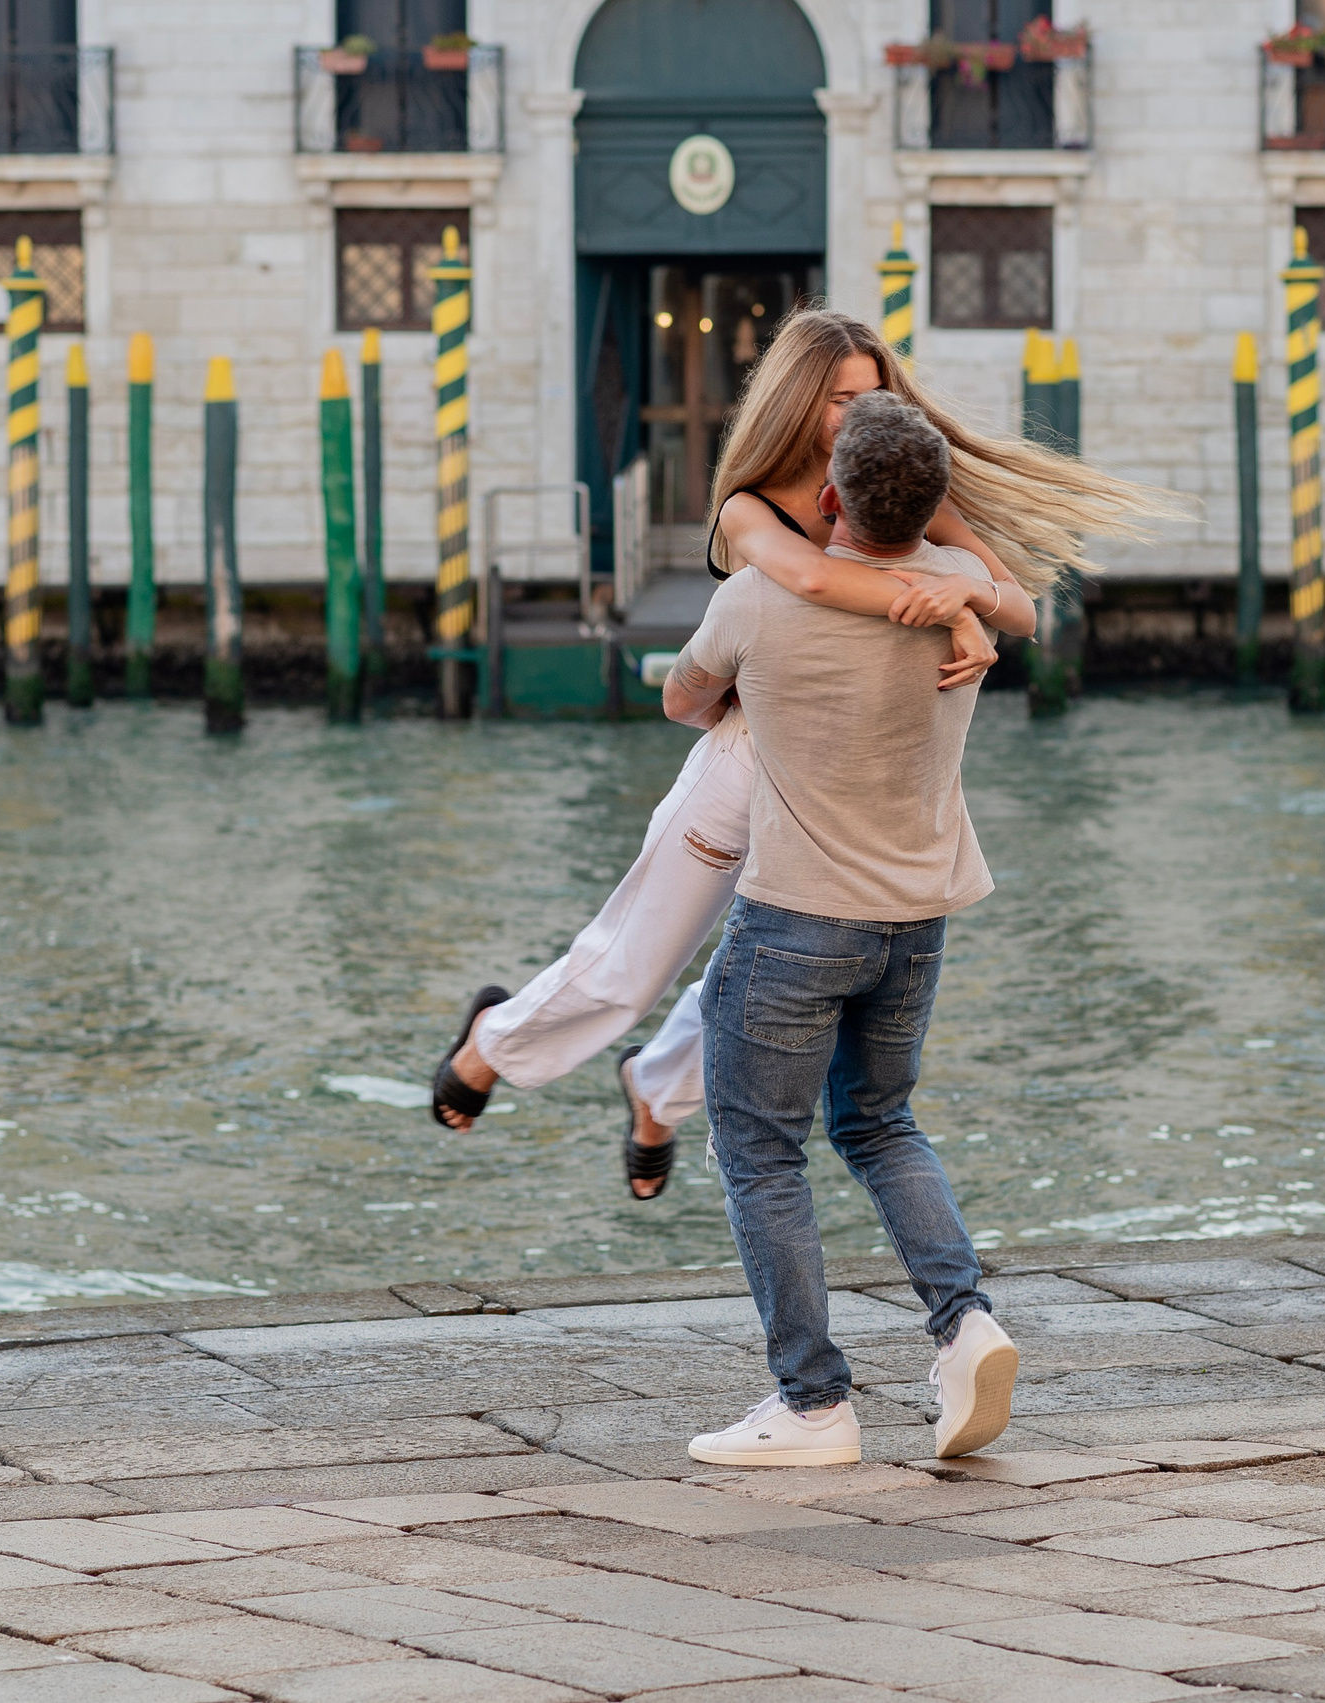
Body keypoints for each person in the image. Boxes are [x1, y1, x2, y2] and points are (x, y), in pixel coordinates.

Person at [430, 311, 1167, 1200]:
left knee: (763, 974)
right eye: (840, 398)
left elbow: (1023, 608)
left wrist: (971, 595)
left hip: (857, 768)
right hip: (747, 756)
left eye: (874, 394)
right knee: (638, 960)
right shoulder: (754, 505)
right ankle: (491, 1044)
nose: (860, 413)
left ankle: (655, 1091)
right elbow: (813, 578)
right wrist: (954, 598)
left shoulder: (901, 481)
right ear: (796, 399)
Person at [664, 392, 1013, 1467]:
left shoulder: (759, 598)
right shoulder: (963, 595)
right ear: (937, 502)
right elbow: (1012, 591)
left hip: (795, 918)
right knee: (880, 1123)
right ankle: (964, 1320)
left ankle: (813, 1404)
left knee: (760, 1151)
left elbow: (683, 699)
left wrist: (753, 693)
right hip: (915, 921)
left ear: (827, 499)